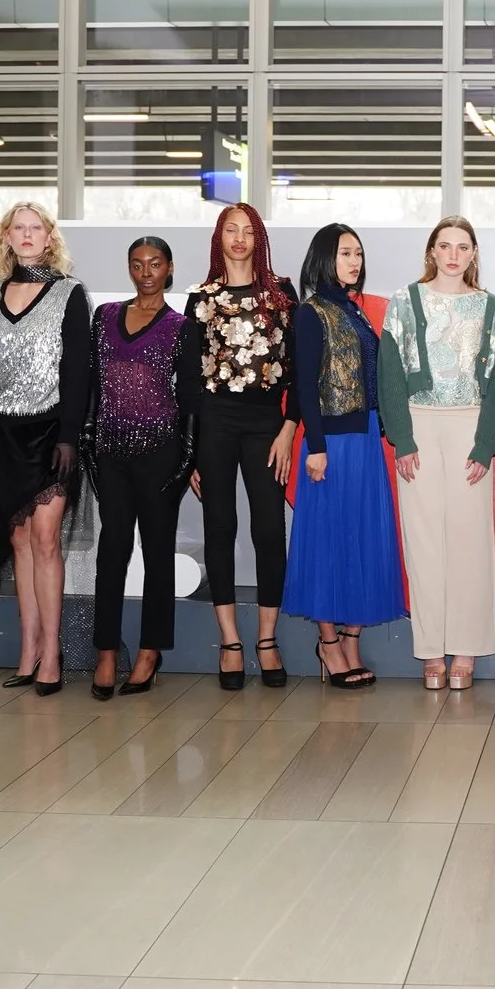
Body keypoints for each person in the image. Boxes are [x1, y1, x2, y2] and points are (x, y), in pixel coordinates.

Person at [378, 216, 495, 689]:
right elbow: (390, 372)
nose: (454, 255)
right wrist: (403, 437)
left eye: (463, 246)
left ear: (473, 253)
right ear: (431, 251)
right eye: (445, 245)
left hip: (470, 426)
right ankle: (431, 649)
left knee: (470, 541)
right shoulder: (403, 301)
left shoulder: (489, 306)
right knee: (423, 540)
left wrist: (485, 444)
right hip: (418, 425)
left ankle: (467, 648)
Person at [183, 203, 298, 690]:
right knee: (220, 527)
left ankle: (267, 639)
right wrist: (191, 450)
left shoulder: (281, 295)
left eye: (248, 231)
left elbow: (298, 369)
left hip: (267, 423)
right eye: (230, 230)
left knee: (270, 529)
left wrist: (289, 429)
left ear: (259, 239)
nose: (239, 238)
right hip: (215, 421)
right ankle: (230, 641)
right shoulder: (201, 298)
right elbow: (188, 381)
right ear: (219, 237)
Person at [0, 201, 91, 698]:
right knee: (20, 544)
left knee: (46, 542)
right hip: (3, 433)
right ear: (7, 237)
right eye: (18, 228)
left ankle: (52, 653)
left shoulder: (70, 293)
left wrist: (69, 436)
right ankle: (27, 651)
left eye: (36, 228)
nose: (27, 235)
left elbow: (79, 371)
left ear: (49, 237)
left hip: (51, 435)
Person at [286, 222, 401, 688]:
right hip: (330, 445)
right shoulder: (311, 312)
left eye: (358, 253)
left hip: (366, 437)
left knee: (362, 539)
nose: (354, 261)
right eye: (345, 253)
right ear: (324, 259)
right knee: (329, 544)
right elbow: (304, 386)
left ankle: (352, 640)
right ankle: (328, 643)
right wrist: (315, 447)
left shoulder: (355, 310)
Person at [86, 237, 187, 700]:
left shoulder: (181, 326)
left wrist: (188, 458)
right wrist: (87, 441)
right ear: (129, 269)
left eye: (155, 264)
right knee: (112, 551)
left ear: (169, 268)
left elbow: (189, 398)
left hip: (160, 452)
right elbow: (93, 382)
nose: (146, 272)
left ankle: (150, 650)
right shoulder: (105, 316)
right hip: (111, 451)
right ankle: (106, 651)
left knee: (158, 551)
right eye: (137, 264)